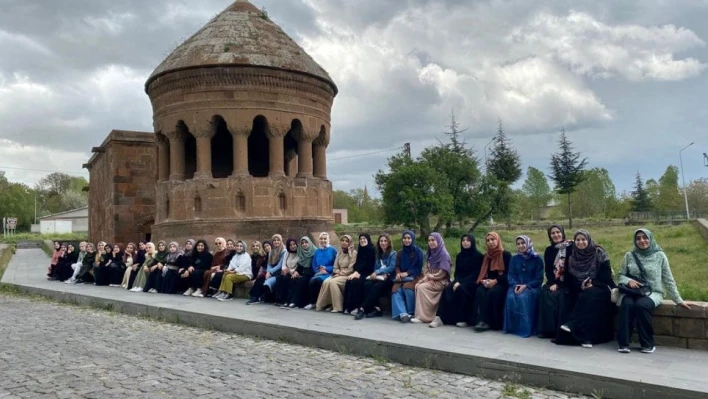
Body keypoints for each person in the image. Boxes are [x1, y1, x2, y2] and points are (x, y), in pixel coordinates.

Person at [616, 229, 691, 354]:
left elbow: (668, 279)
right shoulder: (629, 255)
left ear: (650, 239)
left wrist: (678, 300)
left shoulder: (660, 256)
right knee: (627, 304)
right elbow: (621, 275)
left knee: (642, 305)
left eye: (645, 237)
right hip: (633, 292)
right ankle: (623, 343)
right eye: (638, 238)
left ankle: (647, 343)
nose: (642, 241)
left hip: (653, 292)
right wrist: (629, 281)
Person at [556, 230, 616, 348]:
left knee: (589, 296)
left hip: (601, 286)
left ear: (588, 240)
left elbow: (606, 275)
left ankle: (573, 325)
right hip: (581, 286)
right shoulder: (572, 256)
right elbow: (568, 278)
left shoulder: (599, 252)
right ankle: (585, 338)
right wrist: (582, 285)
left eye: (583, 239)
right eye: (577, 240)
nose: (580, 242)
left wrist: (592, 282)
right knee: (573, 296)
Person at [430, 234, 484, 328]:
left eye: (468, 240)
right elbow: (457, 273)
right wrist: (456, 281)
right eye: (463, 240)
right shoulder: (460, 256)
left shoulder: (478, 256)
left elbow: (476, 274)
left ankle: (463, 319)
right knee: (447, 288)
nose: (465, 242)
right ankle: (440, 317)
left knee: (461, 289)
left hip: (472, 282)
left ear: (472, 242)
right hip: (459, 280)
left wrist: (461, 282)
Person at [503, 235, 544, 338]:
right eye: (518, 244)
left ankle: (526, 328)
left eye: (523, 243)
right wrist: (515, 285)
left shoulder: (537, 259)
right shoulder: (514, 259)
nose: (521, 245)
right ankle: (512, 327)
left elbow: (539, 279)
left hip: (532, 287)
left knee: (523, 297)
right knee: (511, 297)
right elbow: (511, 275)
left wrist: (526, 286)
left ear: (528, 243)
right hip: (516, 286)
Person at [537, 225, 572, 338]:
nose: (556, 235)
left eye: (558, 232)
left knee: (560, 296)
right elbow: (548, 269)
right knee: (546, 293)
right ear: (550, 236)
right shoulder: (549, 250)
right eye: (553, 233)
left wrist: (559, 284)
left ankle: (559, 330)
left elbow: (571, 268)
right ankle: (547, 330)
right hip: (554, 281)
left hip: (567, 281)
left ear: (562, 233)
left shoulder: (570, 247)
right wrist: (552, 283)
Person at [473, 232, 512, 332]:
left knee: (493, 293)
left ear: (498, 240)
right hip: (488, 282)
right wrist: (485, 281)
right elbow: (484, 272)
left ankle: (494, 322)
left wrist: (496, 281)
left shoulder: (506, 255)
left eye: (492, 239)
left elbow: (509, 274)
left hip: (502, 282)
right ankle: (481, 320)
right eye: (488, 240)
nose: (490, 242)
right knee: (480, 291)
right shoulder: (486, 256)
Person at [411, 233, 451, 324]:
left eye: (433, 240)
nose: (431, 242)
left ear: (439, 241)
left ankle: (424, 317)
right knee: (418, 285)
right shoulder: (430, 253)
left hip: (440, 281)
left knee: (422, 288)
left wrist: (433, 277)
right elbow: (426, 270)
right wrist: (427, 278)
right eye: (429, 240)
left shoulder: (444, 254)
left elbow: (443, 272)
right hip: (431, 280)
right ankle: (420, 315)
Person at [356, 234, 397, 320]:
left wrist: (380, 272)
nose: (383, 243)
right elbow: (375, 267)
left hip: (389, 278)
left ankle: (362, 309)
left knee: (377, 286)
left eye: (385, 241)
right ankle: (377, 308)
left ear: (389, 242)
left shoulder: (393, 254)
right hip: (380, 277)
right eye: (381, 241)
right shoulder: (378, 254)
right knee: (367, 284)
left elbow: (391, 267)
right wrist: (377, 273)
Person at [315, 235, 357, 312]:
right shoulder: (339, 253)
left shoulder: (353, 253)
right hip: (337, 274)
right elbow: (335, 266)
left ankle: (338, 307)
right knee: (326, 282)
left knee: (332, 283)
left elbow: (351, 269)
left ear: (349, 243)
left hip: (347, 275)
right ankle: (328, 304)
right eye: (342, 240)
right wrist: (337, 272)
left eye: (346, 241)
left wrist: (340, 273)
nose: (344, 242)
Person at [391, 230, 424, 323]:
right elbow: (397, 266)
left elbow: (418, 267)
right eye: (404, 238)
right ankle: (403, 313)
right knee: (395, 290)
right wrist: (398, 273)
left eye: (409, 238)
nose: (406, 240)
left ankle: (411, 311)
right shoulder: (400, 252)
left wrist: (407, 273)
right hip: (401, 277)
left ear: (412, 239)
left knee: (408, 288)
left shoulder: (418, 252)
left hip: (415, 276)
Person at [302, 233, 338, 309]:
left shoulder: (333, 251)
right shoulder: (317, 251)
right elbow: (314, 264)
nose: (323, 240)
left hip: (328, 273)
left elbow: (336, 264)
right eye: (321, 239)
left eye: (325, 239)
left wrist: (327, 269)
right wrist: (318, 271)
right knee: (312, 281)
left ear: (328, 240)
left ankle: (323, 303)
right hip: (319, 273)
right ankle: (313, 302)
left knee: (318, 282)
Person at [343, 234, 376, 315]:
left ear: (368, 240)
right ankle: (348, 307)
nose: (362, 240)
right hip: (360, 272)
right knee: (349, 280)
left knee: (357, 282)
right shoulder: (361, 250)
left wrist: (357, 272)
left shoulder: (372, 249)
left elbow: (369, 265)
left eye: (364, 238)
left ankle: (358, 307)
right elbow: (357, 264)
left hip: (368, 272)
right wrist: (356, 271)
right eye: (360, 239)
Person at [285, 236, 316, 308]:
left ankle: (296, 302)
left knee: (301, 280)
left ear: (310, 243)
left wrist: (303, 274)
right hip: (304, 273)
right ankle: (289, 301)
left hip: (311, 273)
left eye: (306, 242)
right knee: (293, 278)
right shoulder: (301, 253)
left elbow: (315, 266)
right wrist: (296, 272)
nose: (304, 244)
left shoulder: (314, 252)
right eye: (302, 243)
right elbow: (300, 265)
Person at [275, 238, 299, 306]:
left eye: (294, 244)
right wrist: (284, 269)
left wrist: (291, 271)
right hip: (288, 271)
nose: (292, 246)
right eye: (290, 245)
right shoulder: (287, 252)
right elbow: (283, 264)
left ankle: (291, 301)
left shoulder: (300, 252)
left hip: (296, 272)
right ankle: (281, 300)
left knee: (292, 279)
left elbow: (299, 265)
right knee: (280, 278)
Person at [247, 240, 271, 304]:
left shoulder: (263, 256)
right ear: (251, 248)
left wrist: (256, 278)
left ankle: (255, 297)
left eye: (257, 246)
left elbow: (264, 269)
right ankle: (255, 297)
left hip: (262, 274)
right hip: (253, 275)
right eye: (253, 246)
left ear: (260, 247)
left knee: (260, 279)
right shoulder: (250, 257)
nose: (255, 247)